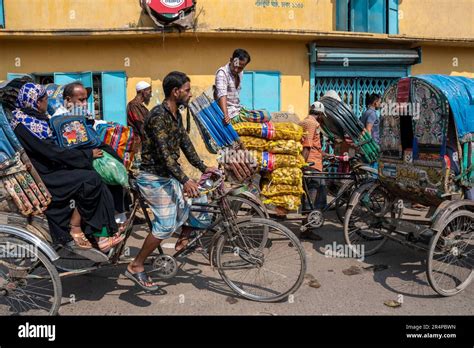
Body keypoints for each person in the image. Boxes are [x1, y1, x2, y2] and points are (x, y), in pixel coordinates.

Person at [125, 71, 216, 290]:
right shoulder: (158, 116)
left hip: (167, 176)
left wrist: (204, 168)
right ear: (175, 92)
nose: (190, 93)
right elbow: (166, 156)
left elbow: (186, 145)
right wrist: (185, 180)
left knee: (198, 202)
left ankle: (183, 239)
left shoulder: (177, 114)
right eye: (186, 90)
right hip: (152, 177)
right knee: (164, 225)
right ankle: (136, 265)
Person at [10, 83, 124, 252]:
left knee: (91, 175)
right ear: (36, 101)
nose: (46, 104)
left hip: (50, 167)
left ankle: (104, 229)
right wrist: (87, 156)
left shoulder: (31, 119)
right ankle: (77, 227)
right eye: (45, 100)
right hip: (45, 175)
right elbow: (53, 152)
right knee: (91, 179)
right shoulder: (27, 125)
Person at [300, 102, 331, 233]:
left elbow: (313, 146)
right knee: (311, 199)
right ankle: (307, 230)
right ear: (319, 114)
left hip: (315, 163)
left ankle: (308, 226)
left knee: (316, 195)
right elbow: (307, 146)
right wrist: (303, 165)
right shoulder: (311, 123)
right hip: (312, 166)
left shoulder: (305, 121)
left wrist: (326, 154)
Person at [215, 49, 251, 125]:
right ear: (231, 60)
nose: (236, 69)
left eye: (240, 68)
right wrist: (225, 115)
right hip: (229, 113)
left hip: (238, 109)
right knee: (256, 117)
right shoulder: (222, 73)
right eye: (235, 65)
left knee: (265, 115)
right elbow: (222, 95)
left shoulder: (240, 73)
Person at [127, 81, 152, 147]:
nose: (150, 95)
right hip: (138, 144)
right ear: (143, 91)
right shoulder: (134, 105)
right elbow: (141, 125)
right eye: (149, 92)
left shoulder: (140, 106)